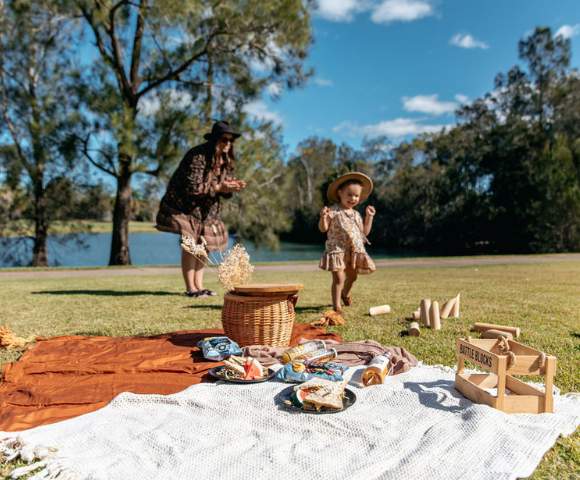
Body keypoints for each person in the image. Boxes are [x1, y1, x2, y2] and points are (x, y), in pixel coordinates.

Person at [155, 121, 246, 297]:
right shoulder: (198, 156)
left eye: (230, 140)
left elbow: (221, 190)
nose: (227, 143)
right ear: (214, 139)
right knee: (190, 245)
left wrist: (230, 188)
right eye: (224, 139)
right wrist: (220, 187)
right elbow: (193, 187)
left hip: (207, 211)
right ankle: (191, 288)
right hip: (184, 207)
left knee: (205, 246)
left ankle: (199, 286)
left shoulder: (225, 161)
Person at [319, 172, 376, 314]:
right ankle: (336, 306)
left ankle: (345, 294)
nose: (353, 198)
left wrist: (369, 217)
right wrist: (323, 217)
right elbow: (323, 228)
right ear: (340, 193)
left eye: (356, 196)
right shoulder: (334, 211)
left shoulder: (356, 214)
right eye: (349, 194)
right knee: (339, 277)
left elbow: (364, 233)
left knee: (352, 276)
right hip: (337, 250)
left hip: (353, 251)